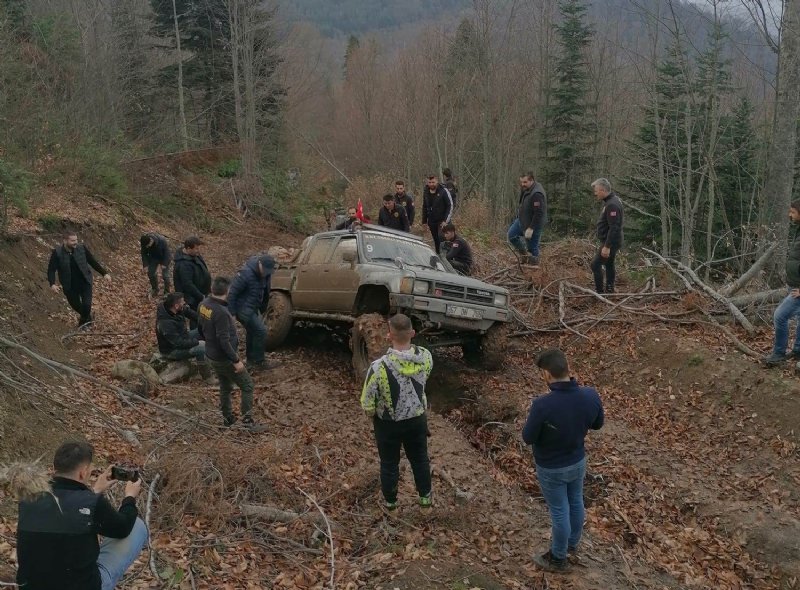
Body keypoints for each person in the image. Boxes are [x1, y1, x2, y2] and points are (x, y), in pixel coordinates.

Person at [16, 440, 147, 590]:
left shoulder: (28, 499)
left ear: (54, 468)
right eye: (90, 470)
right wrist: (130, 497)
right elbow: (123, 528)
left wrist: (95, 491)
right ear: (83, 472)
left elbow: (65, 512)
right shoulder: (93, 503)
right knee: (136, 526)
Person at [522, 349, 604, 573]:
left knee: (559, 511)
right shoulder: (591, 395)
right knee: (576, 502)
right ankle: (572, 545)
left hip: (551, 467)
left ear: (547, 374)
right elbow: (598, 424)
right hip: (577, 461)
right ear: (567, 368)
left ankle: (558, 558)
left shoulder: (542, 405)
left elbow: (528, 437)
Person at [360, 314, 433, 510]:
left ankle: (391, 504)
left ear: (388, 335)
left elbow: (367, 402)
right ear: (413, 333)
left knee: (389, 464)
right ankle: (425, 501)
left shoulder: (378, 367)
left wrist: (373, 414)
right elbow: (425, 377)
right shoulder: (425, 357)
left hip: (388, 424)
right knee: (420, 460)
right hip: (417, 420)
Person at [198, 276, 266, 432]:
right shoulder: (221, 312)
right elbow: (224, 341)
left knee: (225, 386)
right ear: (227, 291)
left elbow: (200, 327)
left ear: (212, 289)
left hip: (212, 355)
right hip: (224, 358)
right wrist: (236, 360)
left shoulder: (203, 305)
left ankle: (227, 418)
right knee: (248, 386)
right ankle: (247, 422)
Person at [47, 231, 112, 330]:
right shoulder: (57, 253)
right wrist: (52, 284)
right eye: (72, 240)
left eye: (76, 240)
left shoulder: (81, 248)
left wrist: (104, 273)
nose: (75, 242)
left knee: (87, 305)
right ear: (65, 241)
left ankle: (83, 324)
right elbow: (51, 269)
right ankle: (88, 319)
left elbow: (92, 261)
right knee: (77, 306)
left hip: (85, 282)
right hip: (69, 286)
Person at [227, 254, 278, 372]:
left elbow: (266, 291)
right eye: (265, 270)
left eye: (268, 271)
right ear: (259, 263)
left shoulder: (267, 274)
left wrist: (263, 307)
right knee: (261, 331)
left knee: (252, 332)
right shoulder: (245, 274)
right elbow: (232, 293)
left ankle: (251, 361)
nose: (266, 273)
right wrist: (232, 313)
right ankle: (259, 361)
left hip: (253, 307)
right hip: (242, 308)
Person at [764, 202, 800, 367]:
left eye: (792, 212)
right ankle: (798, 351)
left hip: (798, 290)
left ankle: (779, 354)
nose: (789, 215)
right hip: (793, 285)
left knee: (780, 315)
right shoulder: (798, 231)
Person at [156, 291, 216, 384]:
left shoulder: (178, 309)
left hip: (183, 337)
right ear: (176, 305)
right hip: (172, 350)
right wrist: (197, 342)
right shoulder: (165, 323)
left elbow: (194, 315)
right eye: (182, 302)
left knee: (204, 330)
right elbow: (179, 343)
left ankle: (214, 359)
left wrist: (207, 323)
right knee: (202, 348)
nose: (185, 304)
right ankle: (207, 377)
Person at [590, 178, 624, 294]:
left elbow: (614, 227)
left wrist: (607, 246)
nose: (595, 193)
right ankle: (610, 289)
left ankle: (599, 292)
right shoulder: (613, 200)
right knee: (609, 263)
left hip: (611, 242)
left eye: (596, 191)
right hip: (612, 240)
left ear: (603, 190)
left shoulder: (612, 205)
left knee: (595, 265)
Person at [507, 172, 547, 265]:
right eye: (521, 182)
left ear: (532, 180)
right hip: (522, 220)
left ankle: (534, 269)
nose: (522, 184)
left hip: (534, 224)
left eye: (525, 182)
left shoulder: (537, 194)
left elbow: (539, 213)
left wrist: (531, 228)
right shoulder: (526, 188)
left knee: (532, 248)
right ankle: (524, 256)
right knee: (512, 235)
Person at [173, 236, 211, 326]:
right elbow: (187, 284)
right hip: (193, 298)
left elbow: (204, 269)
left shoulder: (195, 255)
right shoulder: (183, 265)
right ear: (188, 248)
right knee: (195, 319)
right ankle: (196, 337)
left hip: (201, 294)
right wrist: (201, 296)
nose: (198, 251)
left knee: (203, 317)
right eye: (196, 248)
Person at [421, 175, 453, 253]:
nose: (431, 184)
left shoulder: (443, 190)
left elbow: (450, 205)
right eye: (430, 182)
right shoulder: (426, 191)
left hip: (442, 221)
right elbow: (424, 206)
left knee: (442, 239)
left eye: (433, 182)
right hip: (432, 221)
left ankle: (447, 258)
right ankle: (438, 256)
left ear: (437, 182)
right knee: (436, 240)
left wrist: (445, 221)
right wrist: (424, 221)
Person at [140, 232, 172, 298]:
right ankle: (155, 289)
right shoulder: (144, 242)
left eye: (148, 245)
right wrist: (145, 265)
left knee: (165, 276)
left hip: (163, 258)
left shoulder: (162, 240)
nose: (147, 247)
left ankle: (167, 292)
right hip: (153, 258)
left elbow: (167, 253)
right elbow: (144, 254)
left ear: (151, 241)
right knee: (150, 273)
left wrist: (164, 264)